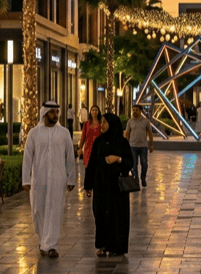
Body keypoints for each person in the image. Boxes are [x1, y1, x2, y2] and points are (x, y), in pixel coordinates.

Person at [22, 101, 77, 257]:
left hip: (58, 180)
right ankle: (43, 240)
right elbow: (27, 158)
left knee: (55, 210)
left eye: (56, 112)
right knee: (38, 210)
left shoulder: (64, 132)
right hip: (38, 179)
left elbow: (70, 158)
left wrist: (71, 179)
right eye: (52, 112)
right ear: (44, 113)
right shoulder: (34, 133)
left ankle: (51, 245)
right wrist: (25, 179)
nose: (55, 115)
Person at [84, 113, 134, 257]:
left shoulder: (122, 142)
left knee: (117, 217)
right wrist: (88, 185)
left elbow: (130, 163)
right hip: (101, 186)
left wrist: (118, 159)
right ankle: (102, 245)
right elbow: (92, 164)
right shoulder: (99, 141)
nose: (103, 125)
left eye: (105, 122)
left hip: (117, 188)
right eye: (102, 122)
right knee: (100, 215)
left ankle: (116, 246)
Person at [124, 105, 154, 187]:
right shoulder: (130, 121)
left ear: (140, 111)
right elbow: (127, 134)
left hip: (143, 146)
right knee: (134, 165)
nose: (134, 111)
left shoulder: (146, 121)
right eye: (133, 110)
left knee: (144, 164)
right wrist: (126, 146)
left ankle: (143, 178)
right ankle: (135, 181)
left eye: (136, 110)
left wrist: (151, 145)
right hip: (132, 146)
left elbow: (150, 133)